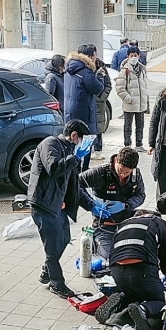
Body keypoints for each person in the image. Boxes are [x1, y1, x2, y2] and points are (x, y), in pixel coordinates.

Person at [27, 120, 108, 299]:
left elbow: (74, 185)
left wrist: (91, 204)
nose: (84, 147)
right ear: (74, 135)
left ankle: (47, 271)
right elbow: (54, 168)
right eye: (83, 141)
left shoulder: (70, 151)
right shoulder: (50, 144)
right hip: (43, 205)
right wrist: (76, 158)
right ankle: (56, 283)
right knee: (52, 247)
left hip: (57, 206)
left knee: (63, 239)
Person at [94, 209, 166, 330]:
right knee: (163, 300)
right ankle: (143, 309)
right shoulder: (157, 221)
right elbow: (165, 252)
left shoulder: (123, 224)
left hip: (116, 270)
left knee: (134, 294)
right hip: (141, 269)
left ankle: (119, 300)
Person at [79, 147, 146, 259]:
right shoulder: (100, 172)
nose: (123, 175)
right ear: (116, 161)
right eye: (120, 170)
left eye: (127, 172)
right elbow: (76, 183)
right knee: (111, 258)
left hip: (126, 221)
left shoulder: (135, 174)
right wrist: (91, 203)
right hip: (103, 224)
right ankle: (95, 243)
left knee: (136, 254)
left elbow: (140, 195)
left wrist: (125, 205)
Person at [64, 45, 106, 171]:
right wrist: (100, 76)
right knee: (85, 143)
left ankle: (72, 170)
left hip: (70, 112)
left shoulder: (69, 68)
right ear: (90, 57)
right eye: (95, 56)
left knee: (72, 141)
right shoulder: (86, 72)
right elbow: (97, 88)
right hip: (84, 112)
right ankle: (82, 173)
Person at [115, 47, 148, 152]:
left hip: (140, 104)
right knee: (128, 126)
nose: (134, 58)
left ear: (139, 56)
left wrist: (145, 100)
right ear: (128, 57)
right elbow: (120, 88)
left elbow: (144, 86)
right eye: (131, 56)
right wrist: (129, 99)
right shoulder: (125, 70)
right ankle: (127, 145)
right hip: (129, 104)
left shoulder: (142, 69)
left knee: (140, 126)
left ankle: (139, 144)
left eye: (135, 55)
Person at [92, 45, 112, 162]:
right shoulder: (86, 68)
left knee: (99, 127)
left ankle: (98, 150)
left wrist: (102, 98)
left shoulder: (102, 67)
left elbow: (108, 85)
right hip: (89, 101)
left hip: (99, 102)